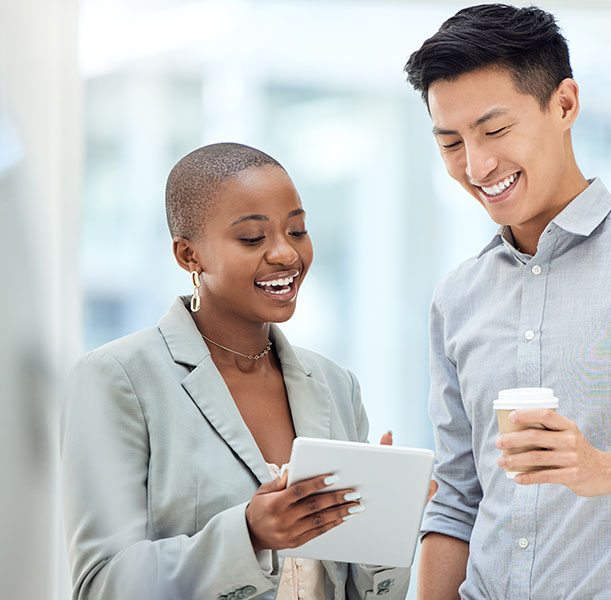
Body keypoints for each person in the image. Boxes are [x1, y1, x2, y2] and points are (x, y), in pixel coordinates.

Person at [404, 4, 611, 599]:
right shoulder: (457, 296)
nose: (477, 166)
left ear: (565, 105)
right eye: (451, 143)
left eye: (494, 131)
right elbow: (455, 500)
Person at [60, 143, 409, 600]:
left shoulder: (335, 384)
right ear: (189, 256)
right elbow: (101, 584)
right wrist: (249, 535)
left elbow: (371, 591)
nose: (286, 254)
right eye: (252, 238)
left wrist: (385, 523)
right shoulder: (115, 378)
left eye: (297, 230)